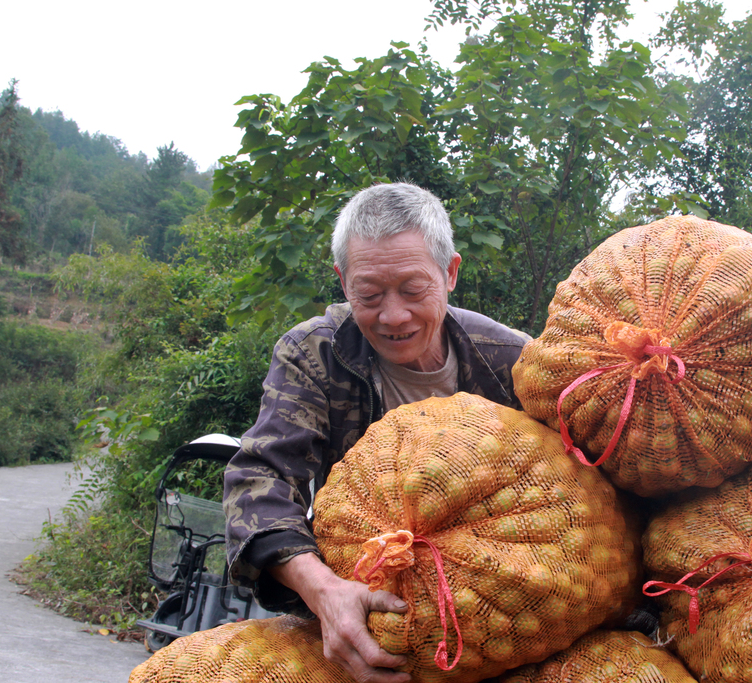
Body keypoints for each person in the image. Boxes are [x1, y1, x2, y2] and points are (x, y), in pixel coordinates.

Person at [223, 182, 530, 683]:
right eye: (369, 295)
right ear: (343, 282)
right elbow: (260, 479)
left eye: (413, 290)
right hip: (356, 613)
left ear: (449, 273)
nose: (393, 317)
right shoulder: (315, 354)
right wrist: (324, 592)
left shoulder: (508, 362)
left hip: (495, 621)